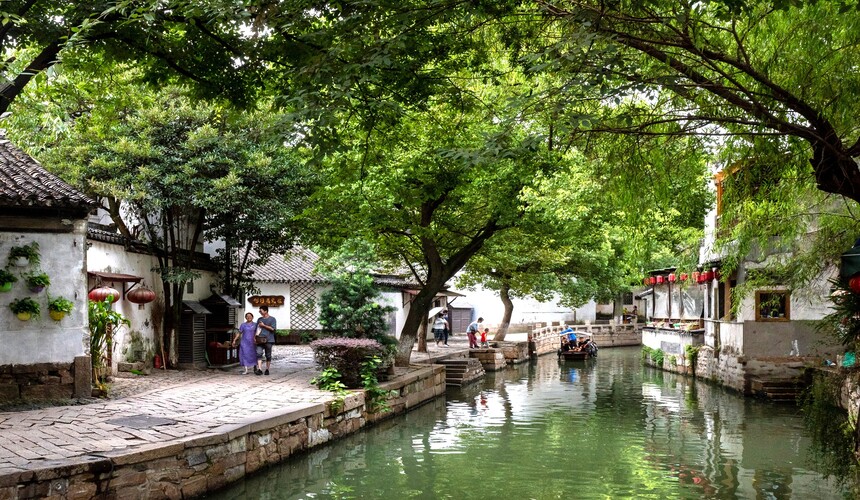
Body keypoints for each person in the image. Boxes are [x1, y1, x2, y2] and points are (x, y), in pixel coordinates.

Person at [255, 305, 277, 375]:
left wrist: (264, 326)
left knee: (268, 355)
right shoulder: (259, 319)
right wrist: (255, 337)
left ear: (265, 311)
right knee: (258, 353)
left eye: (260, 310)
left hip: (269, 339)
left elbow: (273, 329)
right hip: (259, 339)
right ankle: (260, 369)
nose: (259, 312)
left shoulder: (272, 319)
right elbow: (257, 329)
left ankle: (267, 369)